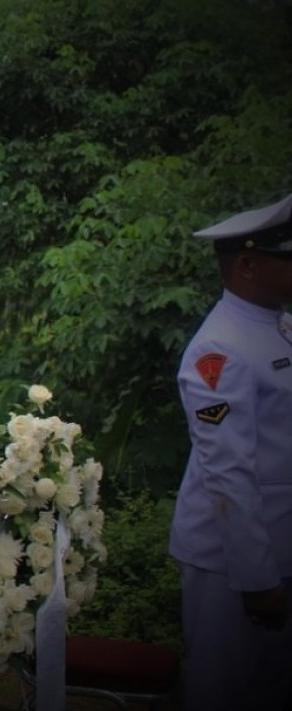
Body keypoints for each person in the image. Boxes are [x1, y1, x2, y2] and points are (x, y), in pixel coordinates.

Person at [169, 193, 292, 711]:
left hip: (277, 545)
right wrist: (257, 578)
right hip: (232, 562)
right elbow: (229, 473)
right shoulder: (219, 349)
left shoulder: (277, 327)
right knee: (224, 690)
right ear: (246, 264)